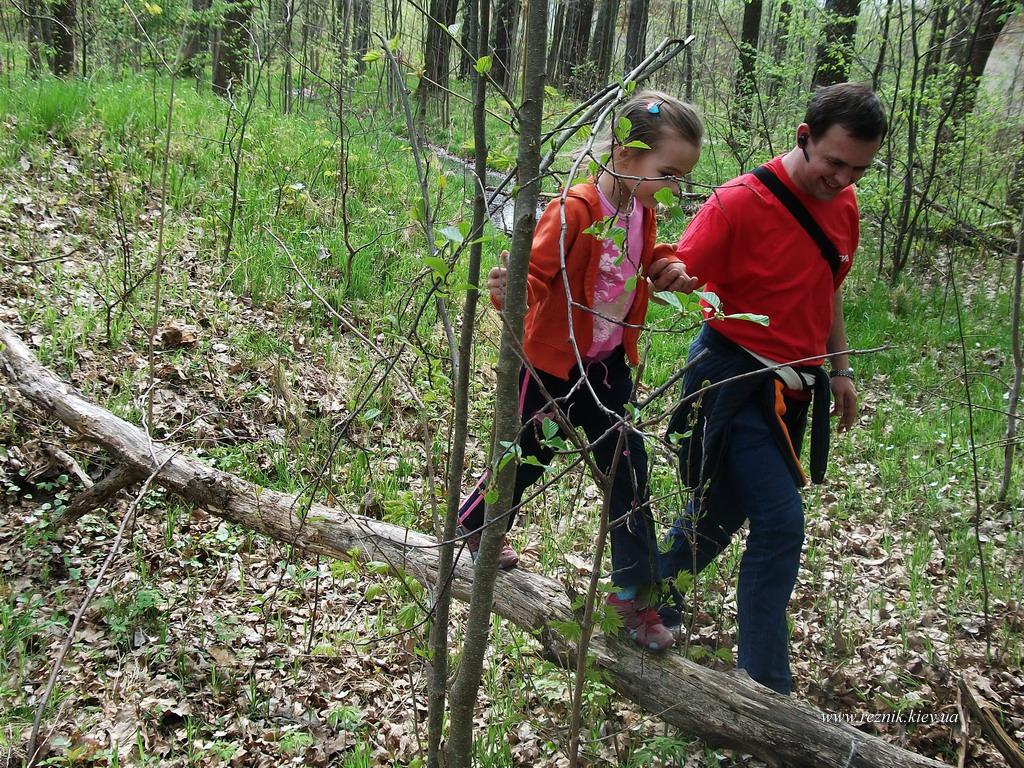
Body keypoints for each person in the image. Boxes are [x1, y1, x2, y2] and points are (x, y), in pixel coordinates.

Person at [648, 83, 886, 690]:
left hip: (794, 390)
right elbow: (673, 269)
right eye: (835, 162)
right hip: (732, 378)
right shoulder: (737, 203)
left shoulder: (845, 205)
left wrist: (840, 370)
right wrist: (671, 274)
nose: (844, 179)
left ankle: (649, 601)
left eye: (858, 169)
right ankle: (766, 685)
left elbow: (827, 288)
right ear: (804, 137)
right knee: (780, 523)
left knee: (720, 512)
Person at [456, 90, 704, 651]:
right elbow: (533, 275)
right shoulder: (574, 209)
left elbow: (647, 255)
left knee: (628, 467)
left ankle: (632, 592)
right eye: (668, 173)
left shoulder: (642, 211)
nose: (674, 188)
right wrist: (509, 288)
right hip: (552, 365)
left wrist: (668, 266)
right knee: (527, 455)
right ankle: (477, 523)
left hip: (607, 368)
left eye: (682, 178)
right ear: (624, 153)